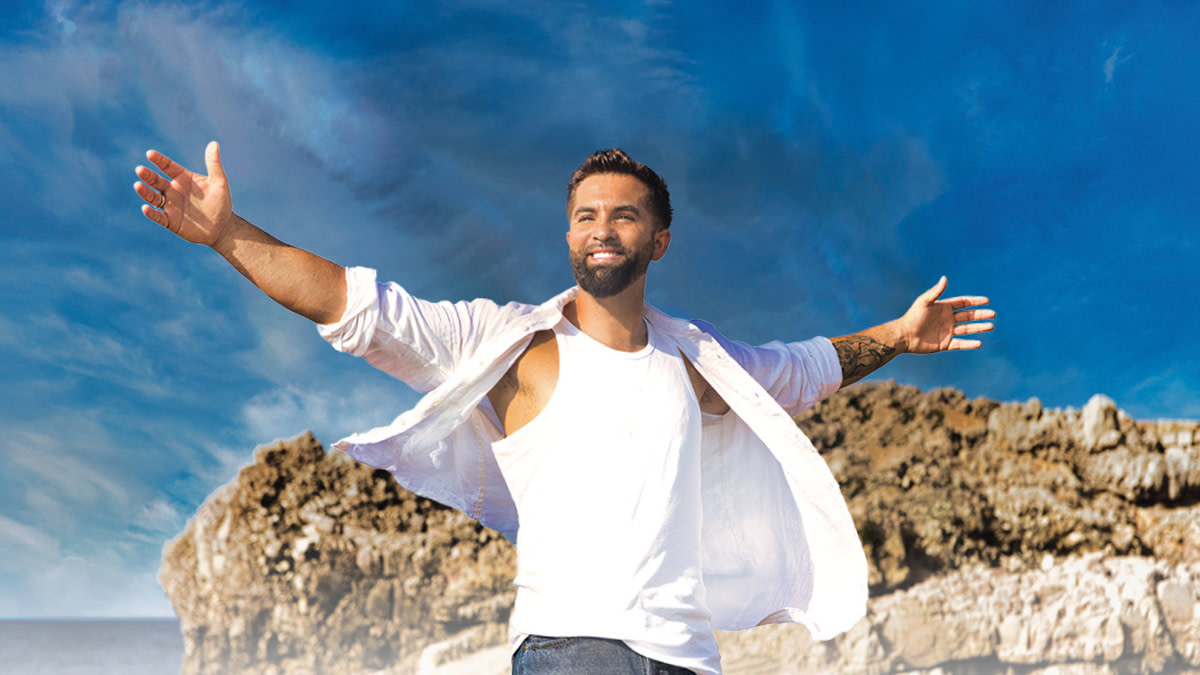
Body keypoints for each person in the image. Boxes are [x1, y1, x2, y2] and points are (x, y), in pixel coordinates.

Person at [133, 142, 994, 675]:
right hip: (569, 652)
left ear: (658, 240)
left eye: (624, 216)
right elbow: (356, 307)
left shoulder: (699, 361)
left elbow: (803, 370)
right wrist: (228, 234)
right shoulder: (513, 345)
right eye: (585, 215)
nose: (601, 228)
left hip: (688, 657)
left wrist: (900, 332)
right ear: (569, 233)